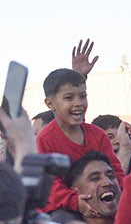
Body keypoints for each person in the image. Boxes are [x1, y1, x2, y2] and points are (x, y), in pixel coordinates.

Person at [34, 68, 125, 211]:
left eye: (82, 96)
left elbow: (115, 170)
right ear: (50, 104)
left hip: (101, 201)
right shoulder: (45, 140)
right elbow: (50, 185)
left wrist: (123, 195)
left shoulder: (98, 135)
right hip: (64, 208)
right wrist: (75, 202)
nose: (78, 103)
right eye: (69, 98)